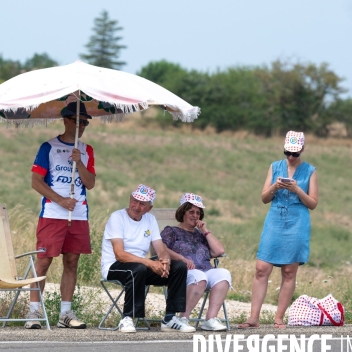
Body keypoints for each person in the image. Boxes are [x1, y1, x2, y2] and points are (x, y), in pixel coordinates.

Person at [25, 100, 96, 329]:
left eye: (85, 122)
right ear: (66, 121)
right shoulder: (48, 147)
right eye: (78, 121)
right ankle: (34, 312)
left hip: (79, 214)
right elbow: (36, 182)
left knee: (72, 261)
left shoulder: (86, 150)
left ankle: (65, 313)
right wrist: (60, 200)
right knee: (44, 261)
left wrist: (80, 163)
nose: (82, 125)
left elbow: (90, 183)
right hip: (53, 213)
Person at [238, 131, 318, 330]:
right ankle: (253, 317)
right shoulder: (275, 166)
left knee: (289, 272)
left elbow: (313, 203)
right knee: (261, 269)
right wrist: (275, 186)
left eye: (295, 153)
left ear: (302, 150)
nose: (291, 157)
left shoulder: (310, 171)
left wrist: (297, 190)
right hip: (275, 218)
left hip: (297, 221)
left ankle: (279, 317)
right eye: (287, 152)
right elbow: (264, 198)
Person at [100, 184, 196, 333]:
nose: (137, 206)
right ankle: (127, 318)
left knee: (179, 268)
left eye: (142, 204)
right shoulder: (117, 217)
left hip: (141, 267)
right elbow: (120, 254)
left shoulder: (150, 220)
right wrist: (150, 263)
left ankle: (170, 318)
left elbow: (160, 248)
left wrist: (165, 262)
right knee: (137, 269)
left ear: (149, 208)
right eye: (135, 201)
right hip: (114, 266)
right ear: (130, 199)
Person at [160, 193, 231, 331]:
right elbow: (161, 248)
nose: (195, 215)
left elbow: (219, 251)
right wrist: (181, 258)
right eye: (191, 212)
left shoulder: (201, 235)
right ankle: (183, 318)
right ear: (182, 212)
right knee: (200, 277)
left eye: (198, 213)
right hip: (181, 271)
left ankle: (210, 320)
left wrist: (204, 230)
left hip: (205, 269)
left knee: (224, 274)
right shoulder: (171, 231)